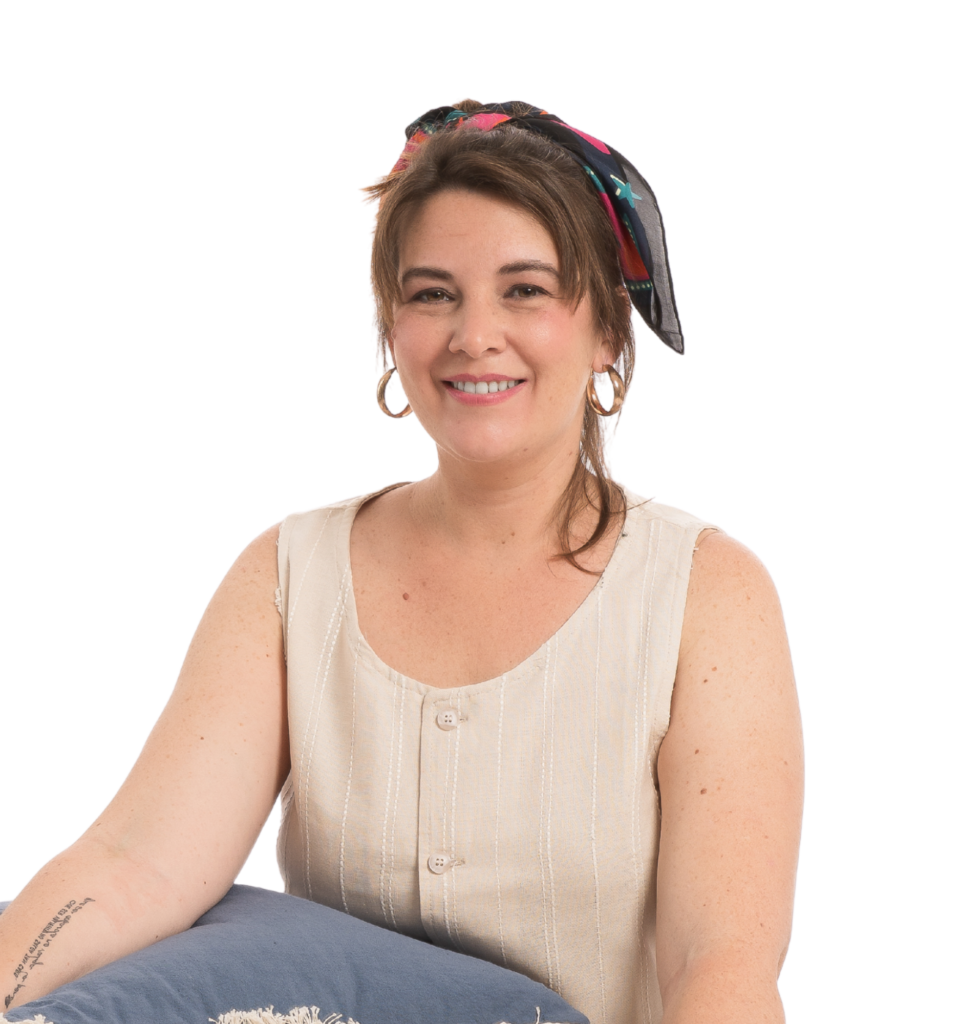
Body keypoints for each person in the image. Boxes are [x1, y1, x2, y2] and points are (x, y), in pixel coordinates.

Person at [0, 99, 805, 1024]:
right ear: (386, 333)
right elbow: (135, 867)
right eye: (432, 294)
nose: (474, 335)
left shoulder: (706, 592)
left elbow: (720, 968)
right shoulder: (290, 573)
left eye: (526, 290)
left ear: (607, 336)